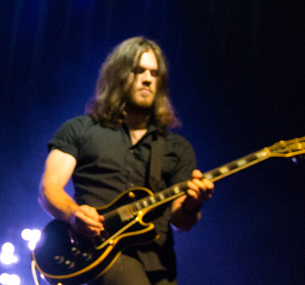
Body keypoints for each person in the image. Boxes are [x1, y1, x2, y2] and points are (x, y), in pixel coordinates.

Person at [39, 37, 214, 285]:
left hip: (159, 264)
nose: (147, 79)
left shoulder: (177, 148)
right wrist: (74, 213)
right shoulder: (80, 130)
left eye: (154, 73)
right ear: (118, 75)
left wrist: (193, 204)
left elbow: (180, 222)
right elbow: (49, 189)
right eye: (138, 71)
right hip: (100, 257)